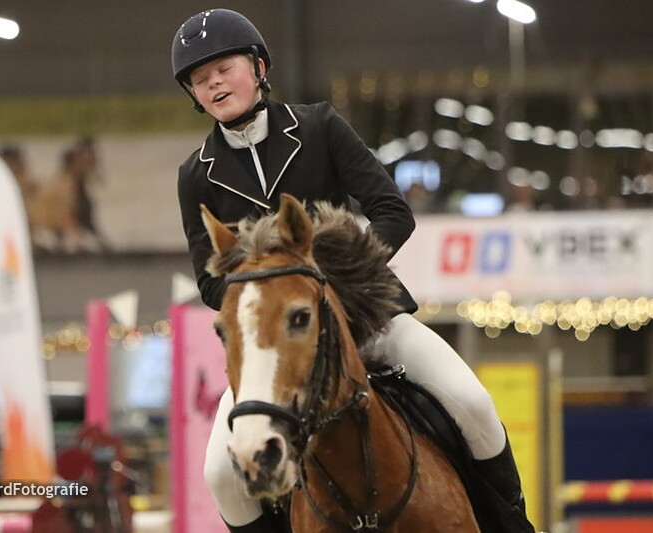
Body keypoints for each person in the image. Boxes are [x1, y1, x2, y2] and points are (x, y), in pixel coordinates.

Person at [171, 9, 535, 533]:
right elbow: (209, 281)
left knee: (473, 403)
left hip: (365, 317)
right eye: (199, 79)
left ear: (258, 67)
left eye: (223, 68)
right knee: (220, 474)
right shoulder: (194, 175)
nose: (213, 83)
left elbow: (393, 212)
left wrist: (334, 282)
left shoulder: (318, 125)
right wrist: (275, 296)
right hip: (276, 343)